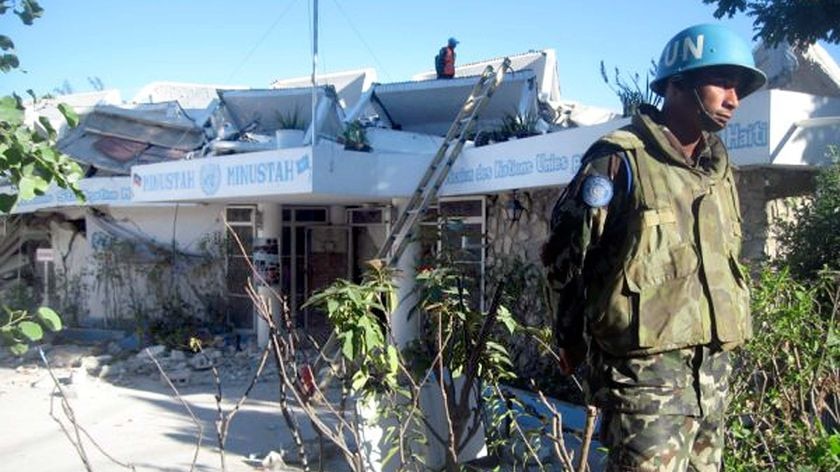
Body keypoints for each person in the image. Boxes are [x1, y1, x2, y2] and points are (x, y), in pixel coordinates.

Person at [541, 23, 766, 471]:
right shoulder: (619, 160)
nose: (734, 99)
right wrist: (569, 338)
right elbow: (564, 256)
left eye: (738, 87)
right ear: (677, 84)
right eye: (722, 83)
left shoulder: (718, 171)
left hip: (711, 381)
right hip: (644, 385)